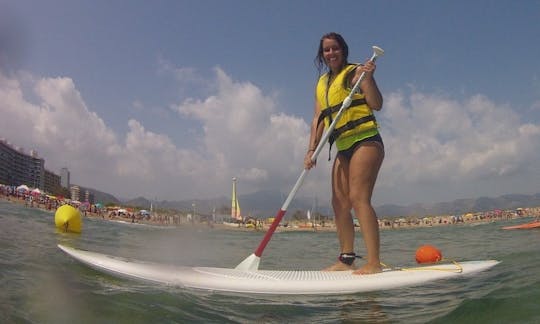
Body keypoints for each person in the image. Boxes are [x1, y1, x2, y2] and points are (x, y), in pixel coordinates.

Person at [304, 32, 384, 275]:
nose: (331, 53)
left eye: (335, 48)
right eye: (326, 50)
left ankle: (374, 263)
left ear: (343, 50)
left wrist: (368, 79)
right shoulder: (322, 84)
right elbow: (318, 118)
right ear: (322, 54)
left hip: (366, 141)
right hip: (343, 146)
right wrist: (312, 150)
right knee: (339, 203)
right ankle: (346, 259)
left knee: (359, 198)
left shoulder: (357, 72)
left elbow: (376, 104)